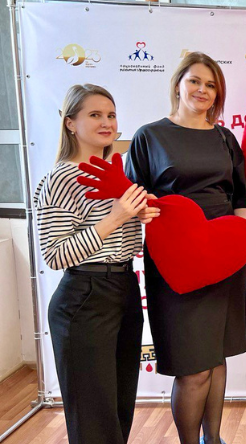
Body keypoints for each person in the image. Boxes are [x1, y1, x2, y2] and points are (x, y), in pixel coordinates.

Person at [125, 52, 246, 444]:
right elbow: (132, 198)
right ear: (178, 83)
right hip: (177, 264)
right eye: (195, 81)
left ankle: (214, 439)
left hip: (223, 258)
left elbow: (240, 198)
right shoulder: (149, 136)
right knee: (193, 368)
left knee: (215, 357)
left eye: (211, 85)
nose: (202, 90)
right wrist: (143, 210)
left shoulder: (225, 138)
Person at [34, 84, 146, 444]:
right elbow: (55, 254)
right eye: (95, 115)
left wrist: (145, 216)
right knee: (93, 419)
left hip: (124, 288)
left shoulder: (118, 174)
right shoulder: (62, 178)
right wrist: (115, 218)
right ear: (70, 123)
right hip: (85, 296)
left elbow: (129, 242)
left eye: (111, 115)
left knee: (118, 410)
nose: (106, 122)